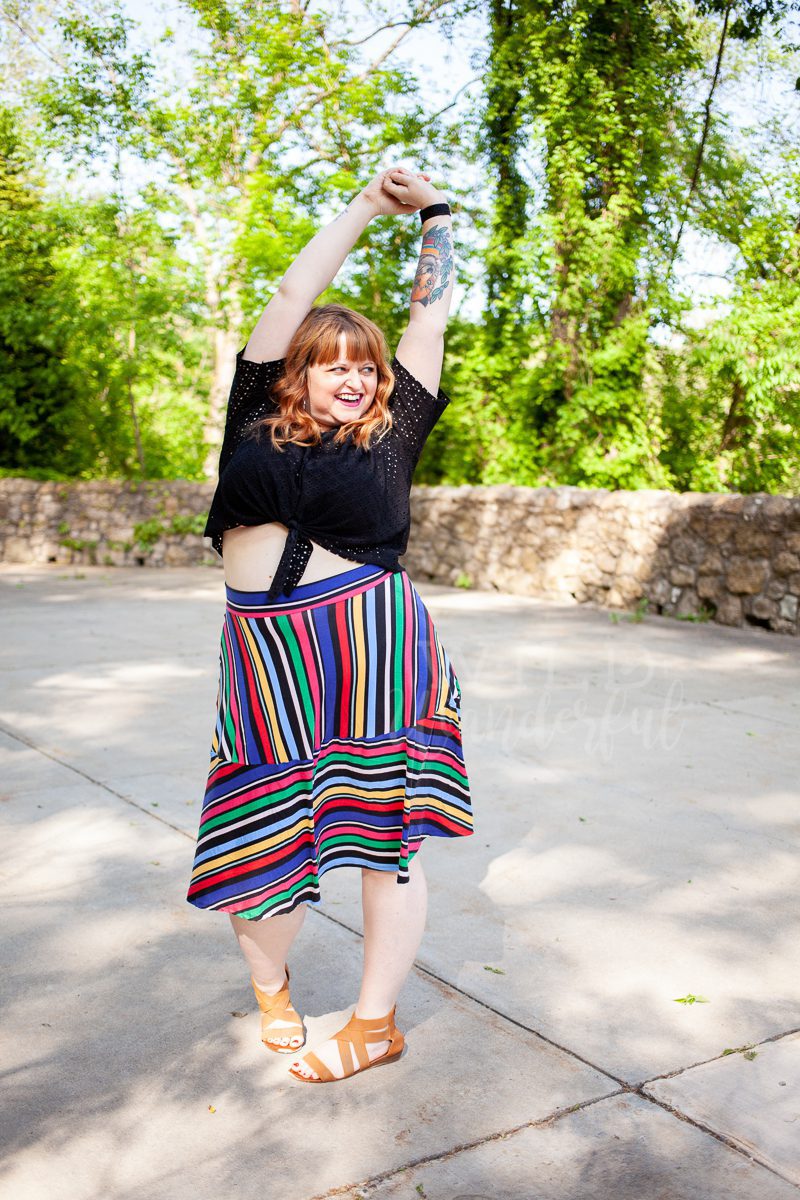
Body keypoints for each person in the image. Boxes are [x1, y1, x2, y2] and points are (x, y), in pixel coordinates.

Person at [186, 166, 473, 1083]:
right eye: (333, 364)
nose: (353, 378)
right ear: (297, 373)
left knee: (389, 843)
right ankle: (271, 986)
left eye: (366, 367)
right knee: (262, 833)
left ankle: (373, 1023)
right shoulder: (252, 415)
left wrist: (434, 214)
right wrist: (364, 207)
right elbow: (290, 294)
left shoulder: (393, 434)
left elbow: (429, 321)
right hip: (265, 657)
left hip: (375, 646)